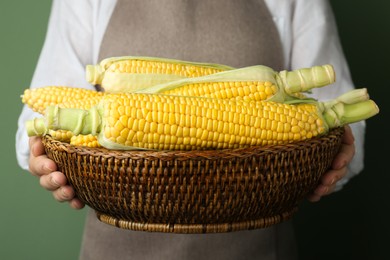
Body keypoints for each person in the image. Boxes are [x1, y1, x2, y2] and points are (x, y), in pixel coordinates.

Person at [16, 0, 363, 259]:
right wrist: (42, 155)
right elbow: (37, 125)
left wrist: (343, 148)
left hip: (257, 246)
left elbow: (336, 112)